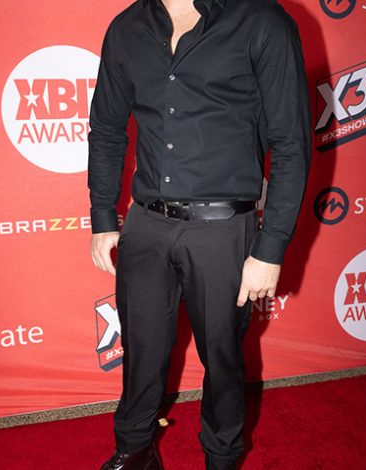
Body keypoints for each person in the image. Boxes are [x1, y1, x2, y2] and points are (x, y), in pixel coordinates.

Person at [87, 0, 311, 468]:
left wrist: (270, 248)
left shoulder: (262, 22)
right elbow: (106, 128)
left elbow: (291, 143)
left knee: (223, 360)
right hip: (146, 224)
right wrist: (104, 217)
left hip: (223, 230)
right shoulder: (126, 28)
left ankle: (221, 459)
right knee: (141, 354)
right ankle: (134, 451)